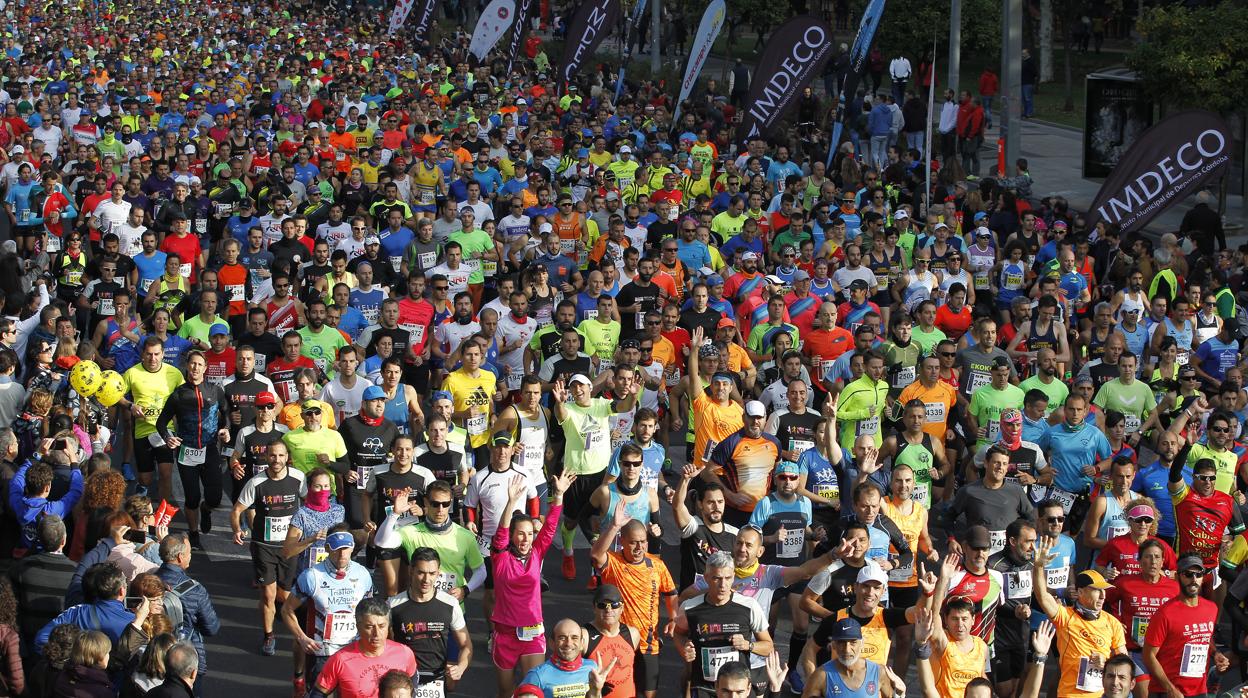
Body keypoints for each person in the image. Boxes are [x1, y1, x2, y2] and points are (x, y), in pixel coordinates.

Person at [490, 469, 577, 698]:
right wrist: (511, 503)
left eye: (529, 534)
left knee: (532, 691)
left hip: (532, 634)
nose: (526, 539)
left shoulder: (537, 553)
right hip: (505, 634)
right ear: (512, 536)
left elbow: (548, 529)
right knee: (506, 691)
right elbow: (500, 533)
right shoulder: (500, 557)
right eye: (520, 534)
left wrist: (558, 497)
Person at [551, 373, 638, 580]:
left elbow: (623, 408)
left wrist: (633, 396)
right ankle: (568, 552)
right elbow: (561, 415)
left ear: (590, 387)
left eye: (581, 386)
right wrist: (560, 403)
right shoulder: (569, 408)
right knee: (571, 521)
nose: (578, 390)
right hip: (574, 476)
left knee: (598, 524)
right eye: (574, 387)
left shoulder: (602, 404)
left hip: (601, 475)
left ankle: (596, 571)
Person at [590, 501, 678, 698]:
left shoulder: (657, 565)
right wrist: (614, 526)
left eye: (643, 541)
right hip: (619, 640)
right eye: (633, 542)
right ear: (622, 541)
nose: (639, 547)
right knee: (619, 692)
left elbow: (671, 593)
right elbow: (596, 554)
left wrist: (673, 617)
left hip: (648, 642)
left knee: (648, 694)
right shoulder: (613, 562)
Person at [230, 439, 305, 656]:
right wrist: (237, 529)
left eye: (281, 456)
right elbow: (236, 511)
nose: (276, 460)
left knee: (285, 594)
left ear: (287, 457)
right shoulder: (256, 483)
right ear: (266, 457)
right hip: (264, 546)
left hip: (290, 546)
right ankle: (269, 635)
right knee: (268, 595)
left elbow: (309, 502)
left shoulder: (298, 478)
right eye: (272, 456)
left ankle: (289, 616)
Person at [281, 527, 374, 695]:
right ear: (327, 549)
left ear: (352, 547)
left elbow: (369, 612)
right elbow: (286, 610)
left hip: (354, 650)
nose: (342, 554)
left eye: (345, 548)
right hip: (322, 654)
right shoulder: (312, 576)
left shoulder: (363, 575)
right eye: (337, 549)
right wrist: (301, 638)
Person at [1032, 538, 1127, 698]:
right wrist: (1039, 567)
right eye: (1097, 590)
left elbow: (1124, 663)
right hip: (1070, 694)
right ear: (1081, 592)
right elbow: (1042, 596)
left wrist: (1106, 663)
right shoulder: (1065, 616)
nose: (1103, 595)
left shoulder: (1112, 622)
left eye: (1105, 590)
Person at [155, 351, 229, 547]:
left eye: (199, 364)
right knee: (192, 496)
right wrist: (168, 438)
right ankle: (194, 532)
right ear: (187, 366)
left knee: (214, 497)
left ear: (205, 368)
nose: (196, 368)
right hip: (186, 451)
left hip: (210, 448)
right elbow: (161, 423)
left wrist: (226, 429)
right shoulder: (178, 394)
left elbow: (226, 413)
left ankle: (206, 510)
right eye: (192, 364)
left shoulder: (215, 391)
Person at [674, 551, 775, 696]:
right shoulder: (690, 607)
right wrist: (684, 650)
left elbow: (769, 646)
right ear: (707, 578)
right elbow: (678, 634)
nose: (723, 585)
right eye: (717, 578)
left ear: (733, 576)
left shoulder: (749, 606)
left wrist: (748, 645)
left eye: (728, 578)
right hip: (704, 687)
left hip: (736, 690)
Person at [387, 546, 473, 694]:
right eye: (421, 573)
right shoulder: (393, 605)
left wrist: (460, 667)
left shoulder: (450, 604)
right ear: (411, 571)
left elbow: (466, 645)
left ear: (438, 573)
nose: (427, 579)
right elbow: (384, 646)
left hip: (437, 679)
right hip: (403, 680)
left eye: (432, 573)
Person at [1142, 553, 1228, 698]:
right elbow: (1148, 655)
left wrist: (1215, 654)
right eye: (1188, 574)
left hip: (1199, 690)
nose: (1194, 580)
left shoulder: (1211, 608)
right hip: (1167, 692)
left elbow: (1204, 637)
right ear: (1177, 577)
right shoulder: (1165, 613)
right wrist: (1170, 689)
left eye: (1198, 574)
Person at [312, 598, 417, 698]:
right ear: (358, 627)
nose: (376, 633)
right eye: (369, 627)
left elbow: (413, 686)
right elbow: (318, 693)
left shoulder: (404, 653)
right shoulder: (340, 660)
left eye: (382, 626)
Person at [800, 616, 905, 698]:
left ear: (862, 643)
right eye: (841, 643)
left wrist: (900, 694)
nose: (847, 649)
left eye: (853, 642)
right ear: (833, 645)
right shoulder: (821, 675)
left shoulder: (878, 672)